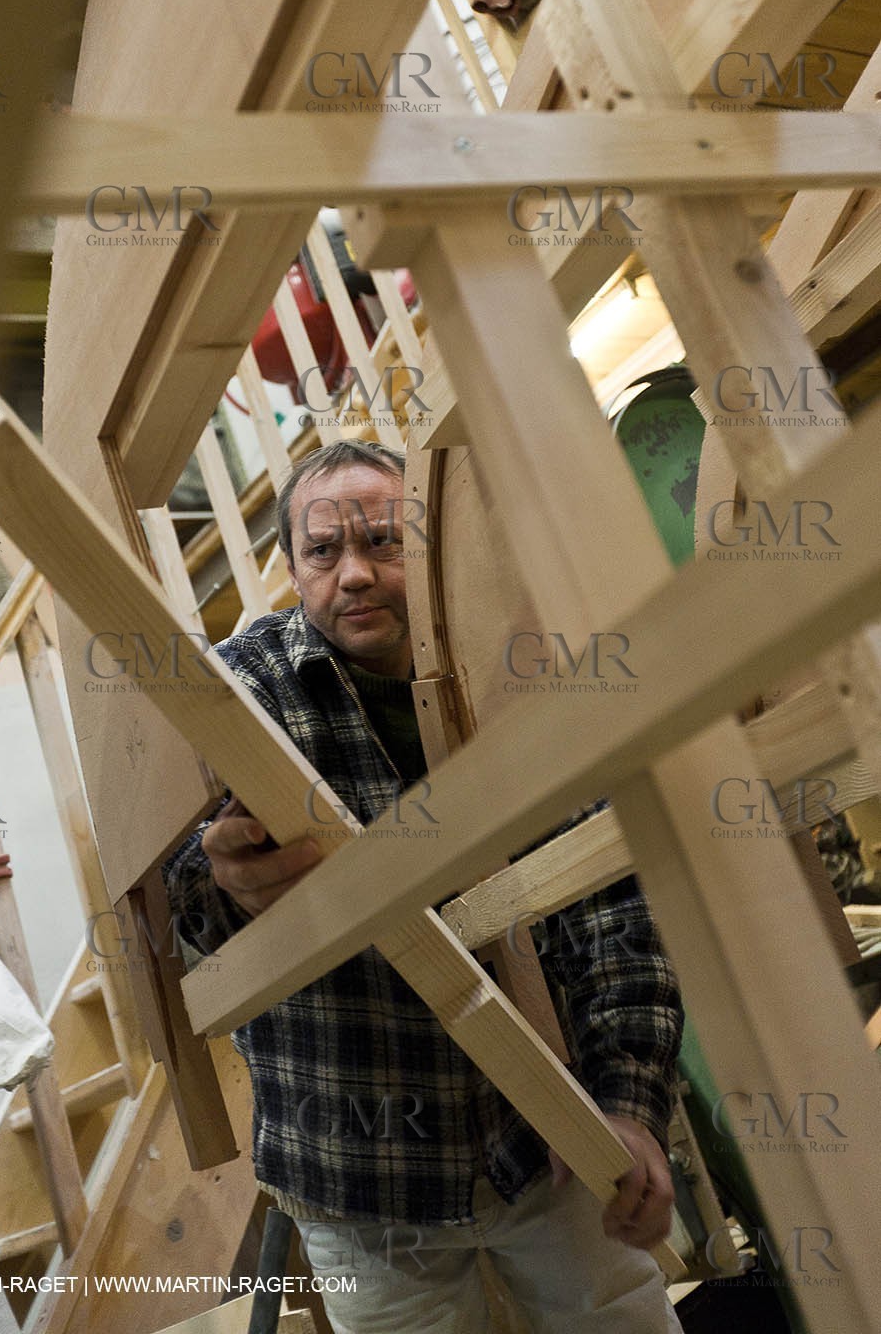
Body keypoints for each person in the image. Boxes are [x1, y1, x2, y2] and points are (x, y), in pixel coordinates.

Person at [164, 440, 685, 1333]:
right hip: (358, 1172)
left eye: (385, 542)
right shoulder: (240, 690)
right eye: (324, 552)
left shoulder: (520, 680)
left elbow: (614, 910)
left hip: (546, 1140)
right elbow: (181, 887)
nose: (355, 575)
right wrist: (225, 883)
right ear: (292, 569)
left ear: (432, 553)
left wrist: (626, 1109)